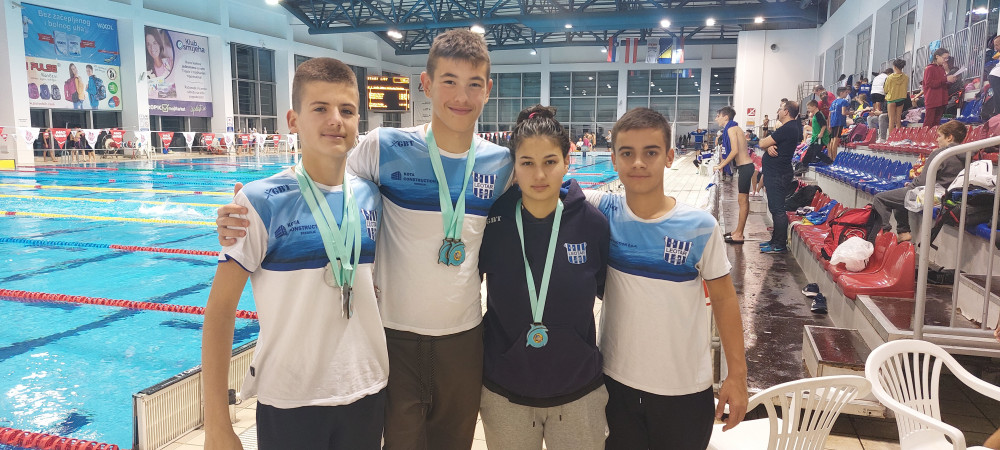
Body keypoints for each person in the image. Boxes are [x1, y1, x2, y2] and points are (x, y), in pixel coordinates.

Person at [216, 29, 512, 450]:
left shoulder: (501, 164)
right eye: (449, 81)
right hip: (392, 337)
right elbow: (320, 176)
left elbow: (545, 196)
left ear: (488, 90)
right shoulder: (384, 147)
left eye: (474, 84)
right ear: (426, 84)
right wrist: (244, 202)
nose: (461, 96)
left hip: (462, 336)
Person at [203, 57, 388, 450]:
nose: (335, 120)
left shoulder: (371, 196)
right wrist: (217, 424)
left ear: (358, 121)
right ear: (293, 120)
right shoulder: (259, 201)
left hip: (367, 389)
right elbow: (220, 312)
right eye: (320, 108)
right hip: (290, 399)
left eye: (347, 110)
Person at [583, 107, 748, 448]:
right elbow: (542, 182)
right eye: (626, 153)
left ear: (670, 157)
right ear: (613, 160)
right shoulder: (603, 211)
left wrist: (737, 376)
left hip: (683, 390)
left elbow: (723, 300)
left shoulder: (699, 226)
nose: (638, 163)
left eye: (650, 153)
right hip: (616, 384)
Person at [479, 105, 610, 449]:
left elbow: (611, 293)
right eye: (527, 163)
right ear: (514, 166)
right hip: (505, 391)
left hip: (579, 391)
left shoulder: (592, 224)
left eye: (550, 161)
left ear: (567, 161)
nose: (539, 175)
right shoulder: (493, 222)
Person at [872, 120, 968, 243]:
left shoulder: (940, 154)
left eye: (940, 136)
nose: (937, 140)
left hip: (932, 196)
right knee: (900, 195)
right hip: (948, 196)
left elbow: (922, 182)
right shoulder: (968, 154)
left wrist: (911, 184)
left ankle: (883, 237)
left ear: (949, 137)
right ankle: (903, 232)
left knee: (880, 198)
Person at [756, 101, 802, 254]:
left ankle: (780, 244)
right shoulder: (790, 128)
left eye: (780, 109)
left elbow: (762, 142)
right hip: (777, 172)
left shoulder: (788, 128)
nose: (778, 111)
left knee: (778, 209)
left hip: (778, 174)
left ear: (786, 111)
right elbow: (766, 144)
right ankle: (774, 240)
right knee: (775, 208)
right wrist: (768, 146)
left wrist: (766, 145)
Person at [712, 106, 754, 245]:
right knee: (742, 201)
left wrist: (721, 166)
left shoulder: (731, 129)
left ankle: (739, 234)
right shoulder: (735, 128)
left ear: (725, 117)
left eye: (718, 116)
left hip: (745, 167)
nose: (716, 119)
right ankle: (737, 231)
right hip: (745, 167)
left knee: (743, 201)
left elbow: (734, 150)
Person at [923, 48, 958, 127]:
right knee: (929, 122)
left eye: (947, 58)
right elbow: (929, 83)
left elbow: (941, 83)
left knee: (936, 123)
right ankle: (925, 135)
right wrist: (946, 79)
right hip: (932, 99)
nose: (945, 60)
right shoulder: (929, 68)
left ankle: (934, 135)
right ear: (937, 56)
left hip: (941, 99)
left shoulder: (941, 68)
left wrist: (950, 81)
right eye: (944, 58)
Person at [798, 100, 832, 172]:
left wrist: (821, 133)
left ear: (814, 107)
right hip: (816, 137)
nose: (808, 110)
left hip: (819, 138)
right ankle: (804, 165)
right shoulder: (816, 115)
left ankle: (829, 161)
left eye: (809, 108)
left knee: (816, 152)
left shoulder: (818, 115)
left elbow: (823, 125)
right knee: (811, 151)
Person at [885, 59, 909, 136]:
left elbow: (886, 89)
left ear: (894, 67)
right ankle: (898, 136)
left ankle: (891, 137)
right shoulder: (906, 77)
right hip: (901, 99)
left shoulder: (890, 77)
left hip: (891, 99)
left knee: (891, 120)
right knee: (898, 119)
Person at [827, 87, 850, 161]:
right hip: (839, 122)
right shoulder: (843, 101)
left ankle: (831, 157)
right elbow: (843, 112)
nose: (847, 94)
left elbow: (829, 114)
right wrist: (851, 112)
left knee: (832, 139)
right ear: (841, 93)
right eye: (846, 93)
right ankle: (834, 158)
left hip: (833, 122)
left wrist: (829, 124)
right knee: (836, 140)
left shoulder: (833, 102)